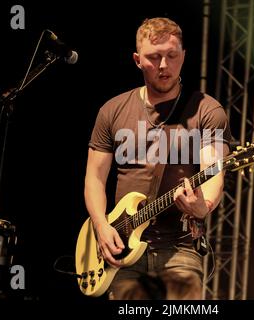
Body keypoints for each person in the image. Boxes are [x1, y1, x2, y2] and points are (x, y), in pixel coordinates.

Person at [84, 17, 231, 299]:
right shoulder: (112, 110)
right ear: (138, 60)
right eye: (154, 57)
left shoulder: (207, 111)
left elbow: (214, 172)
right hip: (122, 248)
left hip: (180, 250)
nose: (164, 66)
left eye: (172, 56)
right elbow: (94, 177)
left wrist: (204, 206)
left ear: (183, 57)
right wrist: (101, 226)